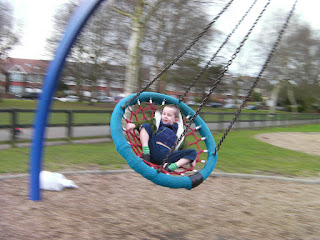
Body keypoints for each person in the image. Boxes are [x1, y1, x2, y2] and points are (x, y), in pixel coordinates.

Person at [126, 104, 197, 172]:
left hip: (167, 156)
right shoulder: (157, 123)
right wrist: (134, 124)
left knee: (193, 152)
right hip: (153, 149)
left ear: (175, 120)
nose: (165, 116)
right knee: (146, 126)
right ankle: (146, 152)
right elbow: (145, 122)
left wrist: (191, 158)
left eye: (169, 115)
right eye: (164, 114)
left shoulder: (179, 132)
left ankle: (172, 166)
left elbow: (184, 144)